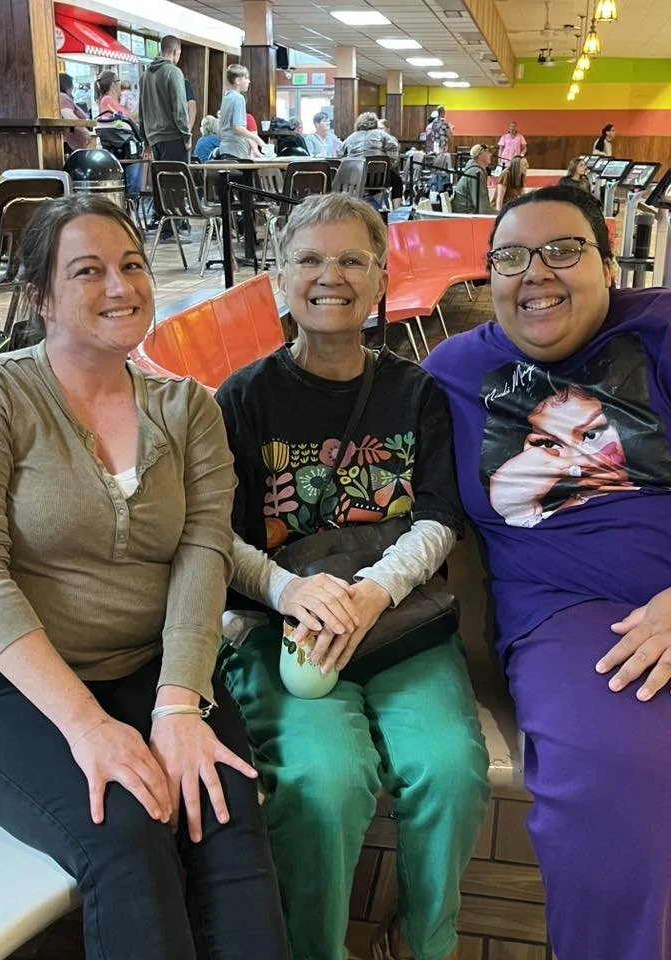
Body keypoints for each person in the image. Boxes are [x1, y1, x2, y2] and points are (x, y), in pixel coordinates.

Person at [0, 196, 289, 960]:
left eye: (132, 264)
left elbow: (203, 552)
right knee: (127, 833)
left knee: (226, 817)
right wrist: (88, 726)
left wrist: (178, 706)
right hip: (1, 685)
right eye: (88, 271)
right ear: (40, 297)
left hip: (149, 668)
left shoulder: (188, 407)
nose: (120, 285)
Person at [216, 192, 490, 960]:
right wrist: (290, 591)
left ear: (380, 281)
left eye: (350, 260)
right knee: (322, 782)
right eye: (308, 259)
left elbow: (440, 515)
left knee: (450, 772)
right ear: (279, 278)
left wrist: (371, 592)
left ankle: (422, 941)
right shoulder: (244, 398)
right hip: (283, 628)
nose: (328, 276)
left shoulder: (415, 391)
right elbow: (216, 536)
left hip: (402, 625)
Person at [422, 184, 671, 960]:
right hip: (569, 613)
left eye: (564, 249)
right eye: (511, 256)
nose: (536, 272)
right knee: (616, 776)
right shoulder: (451, 371)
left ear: (610, 264)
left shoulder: (661, 330)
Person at [138, 34, 190, 163]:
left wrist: (145, 141)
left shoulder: (145, 75)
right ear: (175, 52)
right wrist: (186, 136)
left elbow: (142, 110)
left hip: (153, 139)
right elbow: (179, 107)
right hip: (173, 137)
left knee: (160, 175)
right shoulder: (173, 72)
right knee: (178, 176)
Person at [341, 111, 404, 208]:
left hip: (356, 178)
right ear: (375, 123)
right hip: (380, 176)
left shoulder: (350, 138)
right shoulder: (381, 134)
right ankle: (396, 211)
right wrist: (390, 163)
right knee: (397, 181)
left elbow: (341, 155)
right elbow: (394, 145)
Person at [95, 71, 143, 194]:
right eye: (118, 81)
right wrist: (142, 107)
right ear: (113, 84)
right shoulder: (107, 100)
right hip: (123, 144)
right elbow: (128, 118)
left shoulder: (107, 101)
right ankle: (133, 198)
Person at [218, 63, 265, 161]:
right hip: (236, 150)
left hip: (224, 149)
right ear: (238, 81)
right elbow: (238, 127)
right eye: (246, 78)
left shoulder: (226, 97)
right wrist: (256, 138)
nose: (249, 81)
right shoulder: (238, 98)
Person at [451, 143, 494, 214]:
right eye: (487, 152)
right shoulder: (475, 172)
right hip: (466, 215)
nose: (490, 154)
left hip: (467, 213)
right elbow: (483, 208)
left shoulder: (475, 170)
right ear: (480, 155)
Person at [59, 72, 91, 153]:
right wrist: (85, 131)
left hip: (70, 143)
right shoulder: (63, 97)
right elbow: (69, 117)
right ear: (68, 85)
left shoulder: (61, 97)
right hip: (70, 144)